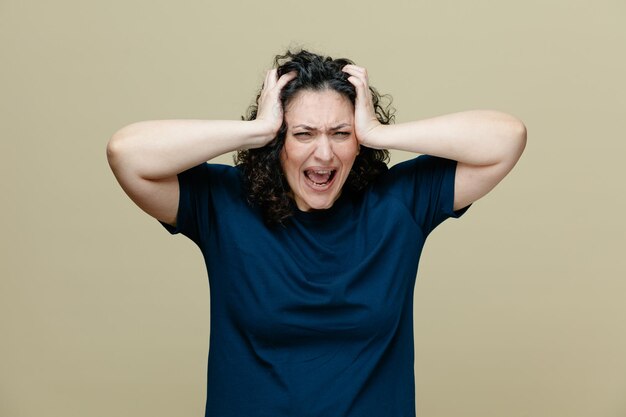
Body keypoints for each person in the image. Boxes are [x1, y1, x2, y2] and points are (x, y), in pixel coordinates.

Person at [106, 49, 526, 417]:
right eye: (303, 133)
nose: (324, 153)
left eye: (341, 134)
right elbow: (127, 153)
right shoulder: (224, 204)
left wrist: (380, 133)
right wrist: (257, 130)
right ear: (278, 140)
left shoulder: (399, 204)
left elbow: (506, 138)